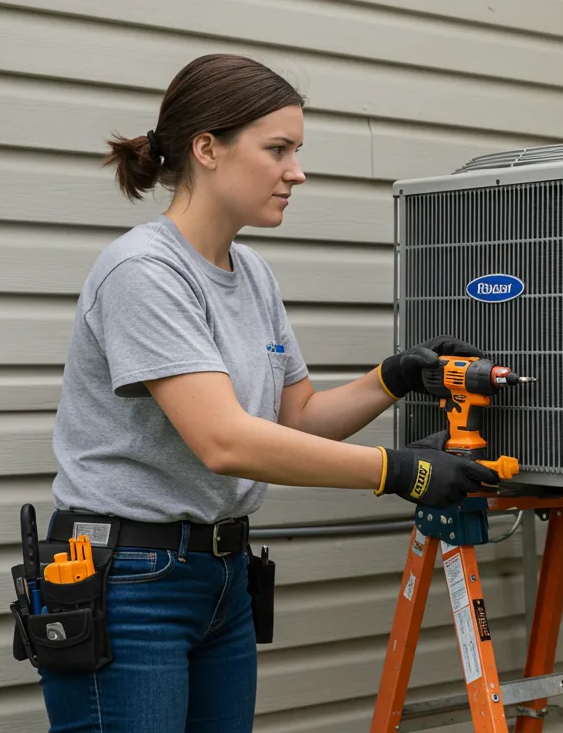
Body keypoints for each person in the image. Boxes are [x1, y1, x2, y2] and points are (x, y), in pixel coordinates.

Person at [28, 53, 499, 732]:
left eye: (297, 150)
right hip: (129, 581)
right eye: (278, 149)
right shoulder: (143, 272)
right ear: (208, 148)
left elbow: (295, 419)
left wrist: (391, 378)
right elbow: (225, 442)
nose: (296, 171)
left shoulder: (250, 272)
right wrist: (401, 471)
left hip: (221, 577)